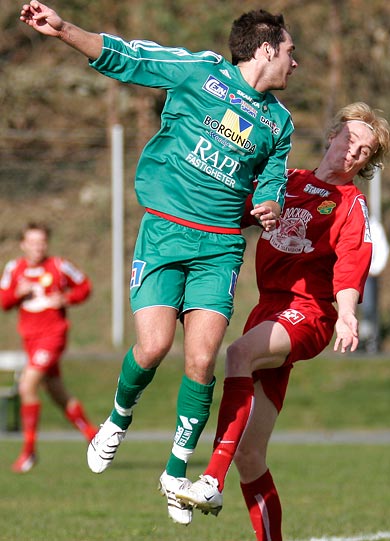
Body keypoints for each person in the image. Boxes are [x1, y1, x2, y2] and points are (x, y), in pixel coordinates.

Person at [20, 1, 297, 525]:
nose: (294, 63)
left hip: (220, 248)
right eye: (289, 52)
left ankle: (175, 473)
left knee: (201, 361)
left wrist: (273, 202)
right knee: (153, 346)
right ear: (265, 49)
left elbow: (274, 178)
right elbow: (128, 58)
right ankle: (118, 418)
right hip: (165, 231)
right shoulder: (200, 71)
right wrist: (63, 30)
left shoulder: (278, 121)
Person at [173, 103, 390, 538]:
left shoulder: (352, 205)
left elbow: (352, 263)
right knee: (251, 455)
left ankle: (210, 480)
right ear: (332, 137)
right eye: (350, 141)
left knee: (237, 354)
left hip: (310, 313)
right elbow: (234, 206)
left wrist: (347, 315)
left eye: (364, 151)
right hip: (268, 311)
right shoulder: (287, 181)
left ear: (367, 163)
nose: (353, 153)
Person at [0, 222, 97, 473]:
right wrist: (17, 293)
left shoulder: (58, 266)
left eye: (41, 242)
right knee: (57, 392)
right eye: (32, 242)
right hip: (30, 340)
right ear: (23, 244)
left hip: (53, 336)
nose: (37, 247)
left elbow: (84, 287)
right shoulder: (14, 268)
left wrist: (65, 298)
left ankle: (29, 452)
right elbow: (4, 301)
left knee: (27, 385)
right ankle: (94, 438)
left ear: (47, 244)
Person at [358, 215, 390, 353]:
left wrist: (374, 269)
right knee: (352, 310)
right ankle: (358, 339)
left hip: (368, 275)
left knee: (369, 309)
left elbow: (382, 249)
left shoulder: (374, 226)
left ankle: (372, 339)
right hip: (351, 275)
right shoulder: (349, 221)